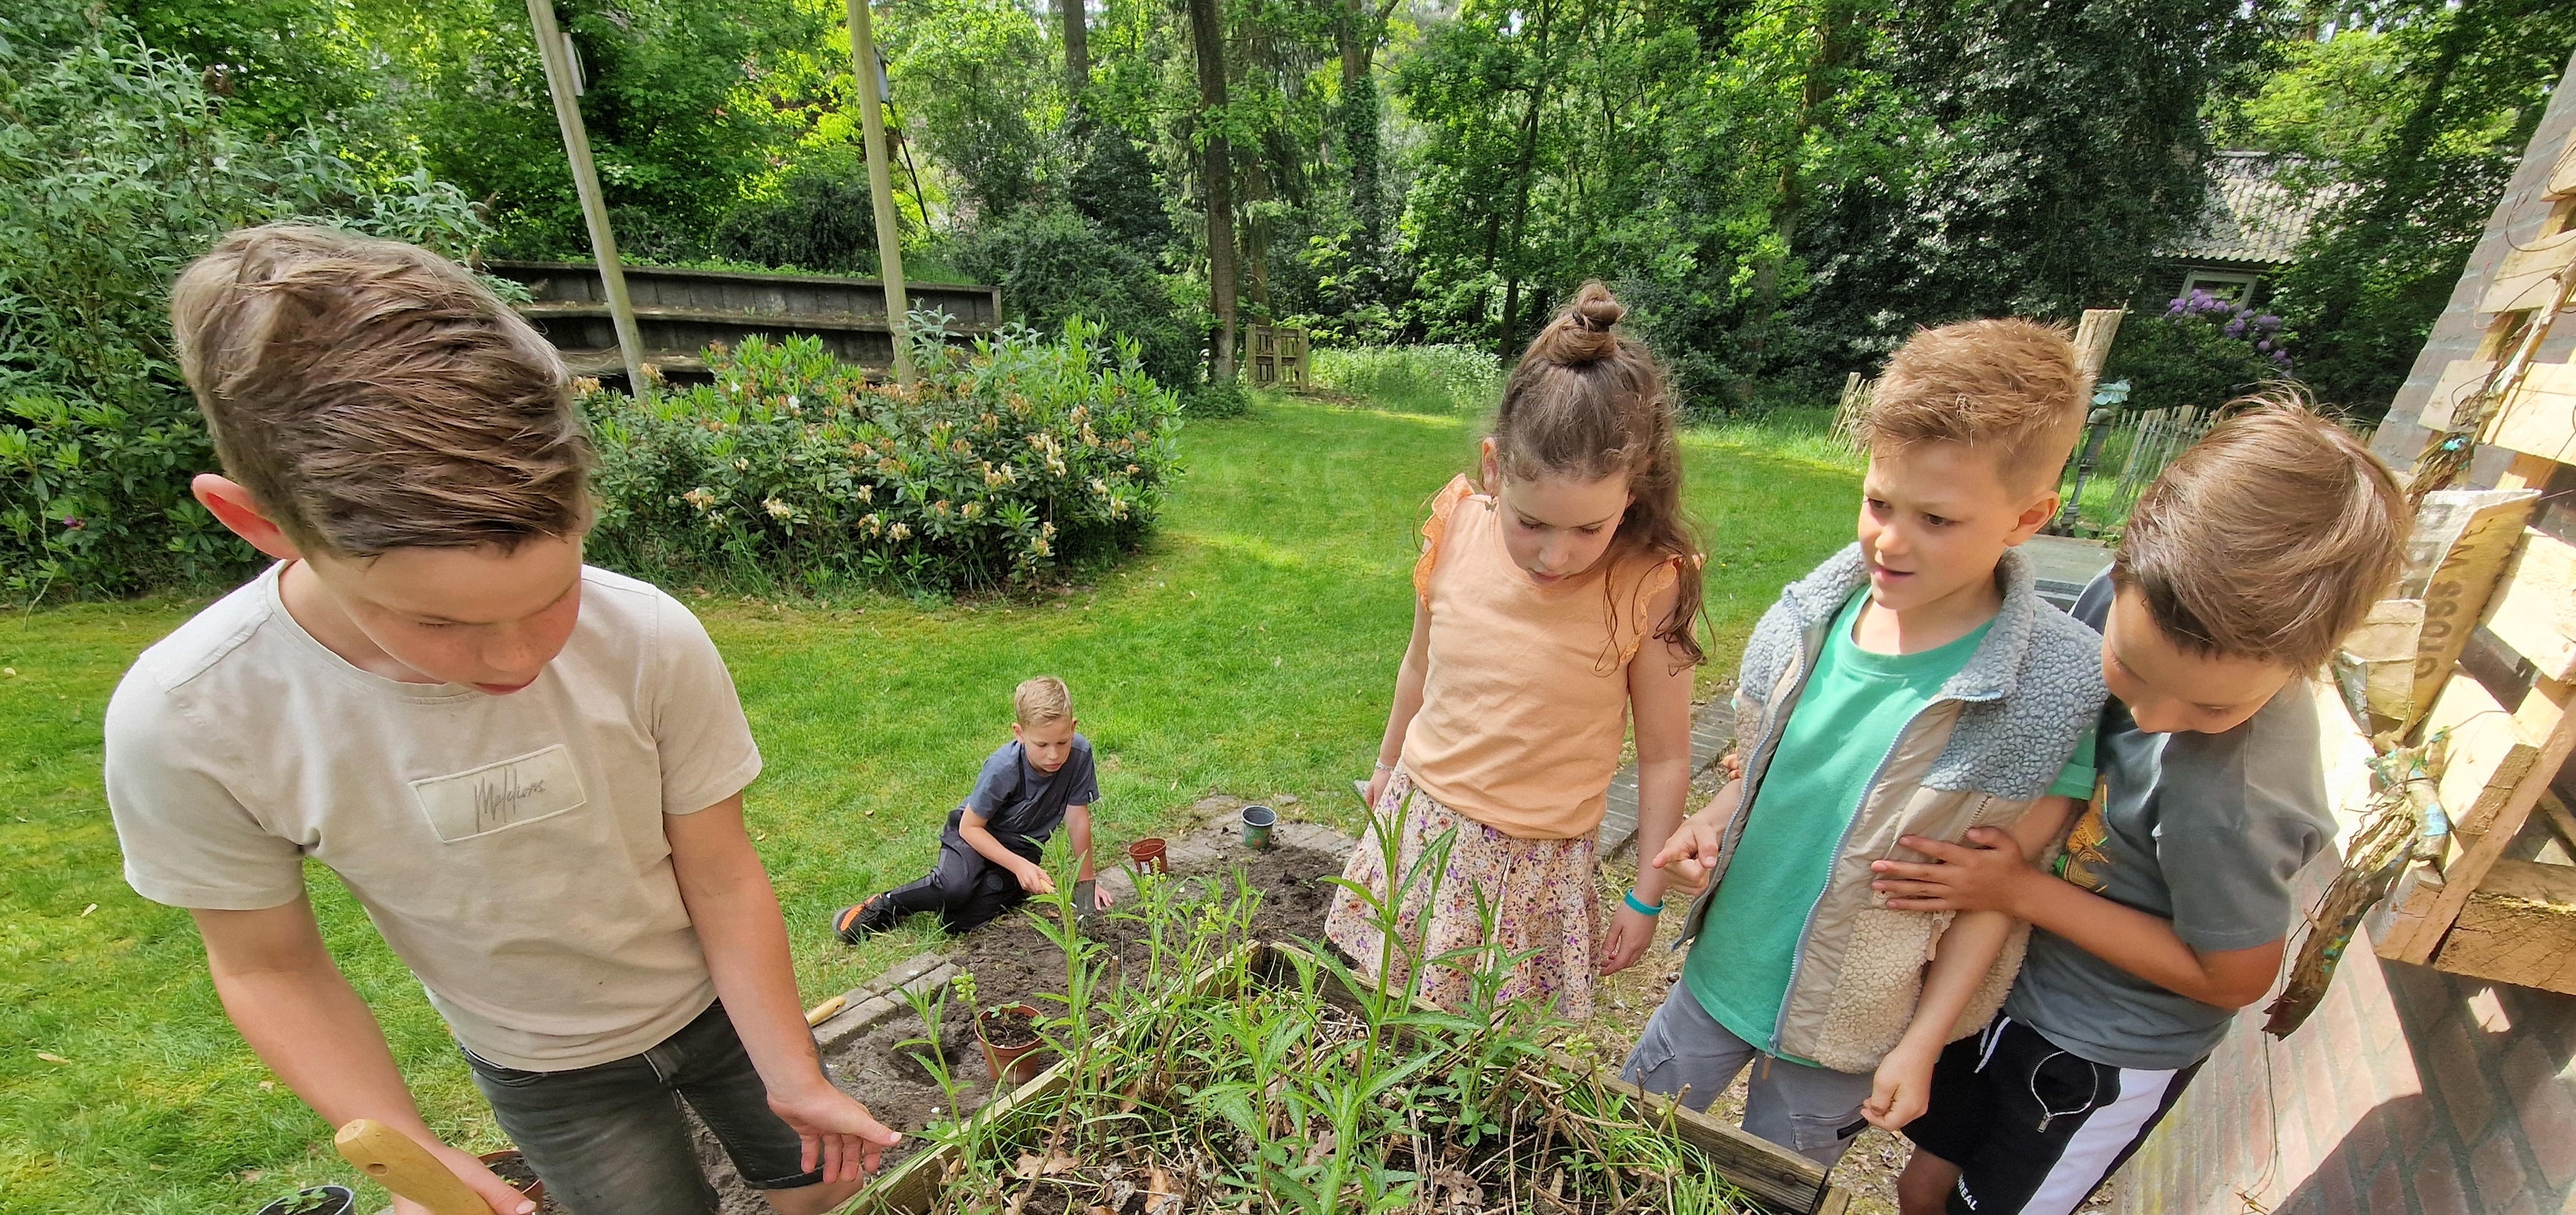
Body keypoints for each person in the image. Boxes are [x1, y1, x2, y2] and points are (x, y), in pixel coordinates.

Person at [102, 225, 899, 1215]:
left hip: (722, 1012)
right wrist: (419, 1156)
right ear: (259, 522)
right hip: (545, 1074)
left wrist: (794, 1068)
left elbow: (720, 866)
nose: (520, 658)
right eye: (437, 619)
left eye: (555, 588)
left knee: (813, 1189)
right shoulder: (190, 719)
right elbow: (269, 966)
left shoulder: (648, 634)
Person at [1873, 400, 2408, 1215]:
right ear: (2121, 569)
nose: (2156, 719)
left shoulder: (2237, 794)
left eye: (2211, 709)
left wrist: (2018, 891)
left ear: (2304, 660)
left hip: (2099, 1049)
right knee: (1922, 1180)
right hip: (2011, 983)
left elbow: (2234, 973)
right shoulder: (2110, 598)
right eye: (2131, 668)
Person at [1629, 318, 2107, 1169]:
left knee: (1775, 1184)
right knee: (1622, 1146)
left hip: (1851, 1026)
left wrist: (1922, 1042)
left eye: (1936, 518)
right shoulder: (1810, 620)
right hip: (1717, 978)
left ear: (2028, 516)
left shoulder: (2054, 689)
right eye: (1879, 501)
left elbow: (1996, 896)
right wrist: (1710, 816)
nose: (1889, 538)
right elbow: (1771, 771)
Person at [1322, 282, 1704, 1022]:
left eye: (1589, 529)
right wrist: (1383, 764)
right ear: (1495, 468)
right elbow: (1418, 665)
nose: (1555, 555)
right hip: (1420, 826)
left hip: (1532, 867)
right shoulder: (1457, 527)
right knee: (1384, 1022)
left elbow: (1663, 755)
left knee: (1484, 1057)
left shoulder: (1645, 583)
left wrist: (1644, 893)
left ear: (1633, 493)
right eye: (1531, 523)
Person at [832, 676, 1106, 939]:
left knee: (958, 922)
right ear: (1019, 733)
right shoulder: (1003, 768)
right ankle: (886, 904)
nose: (1054, 754)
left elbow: (1077, 819)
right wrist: (1019, 866)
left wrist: (1086, 885)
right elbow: (970, 828)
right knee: (954, 889)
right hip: (972, 835)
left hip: (1020, 848)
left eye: (1062, 742)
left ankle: (1000, 887)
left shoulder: (1080, 755)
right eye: (1042, 744)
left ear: (1073, 727)